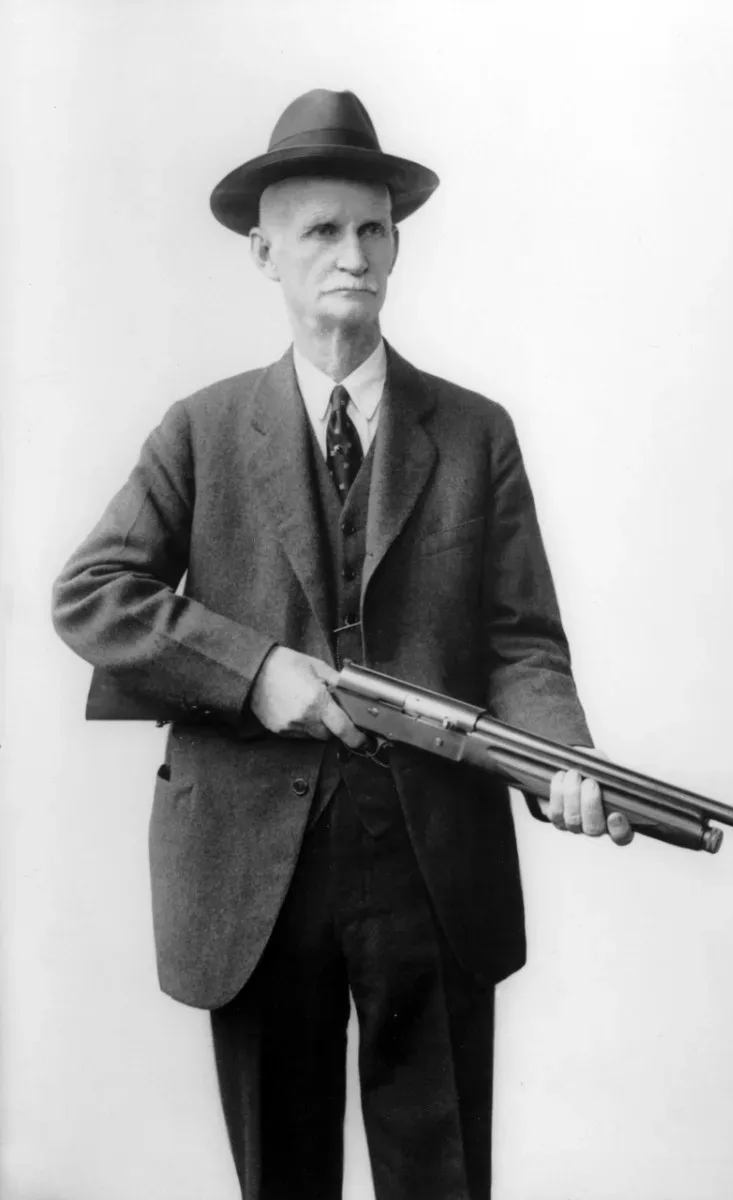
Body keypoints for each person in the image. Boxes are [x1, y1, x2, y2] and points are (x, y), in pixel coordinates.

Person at [51, 88, 634, 1200]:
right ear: (261, 251)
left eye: (371, 229)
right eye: (320, 230)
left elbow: (521, 644)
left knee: (441, 1177)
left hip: (434, 863)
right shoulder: (201, 429)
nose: (351, 254)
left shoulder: (472, 432)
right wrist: (251, 671)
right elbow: (91, 593)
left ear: (397, 243)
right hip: (253, 880)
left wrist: (565, 763)